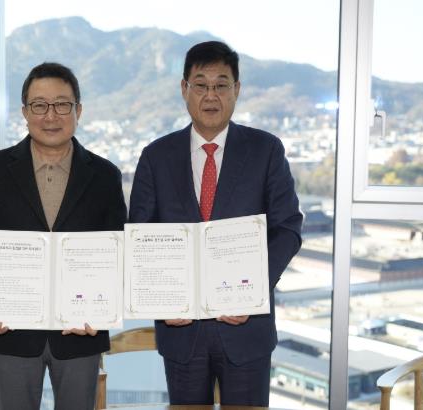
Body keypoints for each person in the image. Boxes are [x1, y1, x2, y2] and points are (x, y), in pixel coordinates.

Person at [128, 41, 303, 406]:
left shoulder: (266, 150)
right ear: (184, 89)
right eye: (201, 85)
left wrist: (253, 290)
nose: (211, 95)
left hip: (247, 329)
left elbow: (287, 228)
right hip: (181, 332)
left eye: (221, 85)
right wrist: (162, 300)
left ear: (236, 89)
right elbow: (140, 238)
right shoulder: (156, 156)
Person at [0, 62, 127, 410]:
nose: (51, 116)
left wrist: (103, 310)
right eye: (39, 105)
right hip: (10, 328)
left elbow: (118, 250)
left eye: (62, 104)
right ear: (25, 112)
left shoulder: (105, 175)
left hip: (82, 330)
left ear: (78, 110)